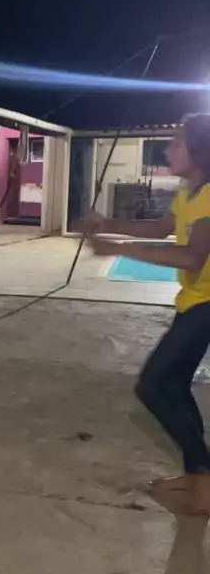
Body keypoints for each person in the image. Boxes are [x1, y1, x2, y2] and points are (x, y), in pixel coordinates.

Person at [79, 113, 210, 515]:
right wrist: (107, 223)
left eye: (176, 143)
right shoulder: (189, 193)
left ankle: (205, 480)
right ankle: (195, 472)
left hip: (207, 306)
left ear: (199, 150)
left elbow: (191, 256)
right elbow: (159, 229)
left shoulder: (209, 196)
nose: (168, 150)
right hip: (195, 301)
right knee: (175, 386)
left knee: (152, 386)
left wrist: (117, 248)